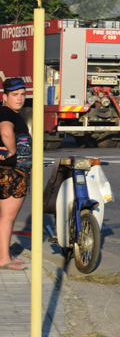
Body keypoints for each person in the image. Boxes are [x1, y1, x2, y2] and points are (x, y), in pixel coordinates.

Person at [0, 78, 32, 271]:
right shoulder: (6, 112)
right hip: (13, 173)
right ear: (5, 96)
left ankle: (5, 254)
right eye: (15, 95)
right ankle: (4, 258)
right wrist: (12, 151)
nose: (19, 99)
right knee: (7, 217)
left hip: (8, 171)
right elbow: (5, 132)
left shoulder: (6, 111)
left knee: (4, 216)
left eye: (22, 94)